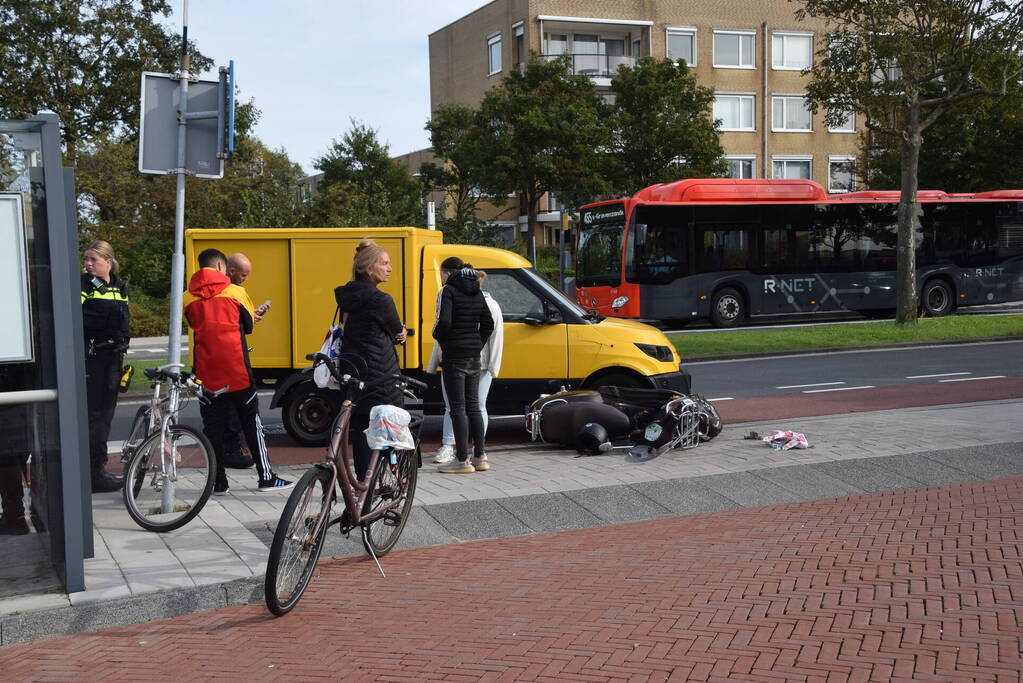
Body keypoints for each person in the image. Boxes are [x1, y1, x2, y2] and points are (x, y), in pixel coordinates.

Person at [184, 248, 292, 494]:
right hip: (236, 371)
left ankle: (218, 481)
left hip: (206, 373)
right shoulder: (236, 292)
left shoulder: (187, 297)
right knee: (251, 423)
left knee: (213, 428)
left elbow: (194, 325)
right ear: (222, 267)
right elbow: (247, 325)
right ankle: (266, 476)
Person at [334, 238, 407, 481]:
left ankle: (362, 481)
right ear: (368, 268)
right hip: (380, 373)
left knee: (360, 427)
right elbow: (397, 330)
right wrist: (403, 333)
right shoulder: (381, 299)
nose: (390, 268)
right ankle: (387, 479)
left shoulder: (346, 295)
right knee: (388, 422)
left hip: (353, 370)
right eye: (385, 263)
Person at [429, 265, 504, 468]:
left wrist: (438, 337)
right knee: (474, 407)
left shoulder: (448, 291)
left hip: (454, 356)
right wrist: (476, 342)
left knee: (457, 408)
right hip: (474, 356)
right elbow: (488, 324)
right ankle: (480, 457)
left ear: (452, 275)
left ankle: (462, 460)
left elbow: (443, 322)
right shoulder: (477, 292)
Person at [81, 240, 129, 493]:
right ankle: (93, 473)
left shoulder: (119, 287)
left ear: (108, 262)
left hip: (113, 361)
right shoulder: (83, 285)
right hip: (92, 361)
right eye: (86, 259)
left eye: (93, 260)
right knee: (94, 419)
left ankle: (96, 470)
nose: (88, 264)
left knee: (104, 418)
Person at [218, 252, 271, 469]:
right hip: (234, 358)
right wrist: (252, 317)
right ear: (231, 271)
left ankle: (223, 460)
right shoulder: (235, 292)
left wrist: (253, 314)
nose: (245, 278)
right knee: (246, 411)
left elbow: (240, 320)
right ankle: (262, 471)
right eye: (244, 274)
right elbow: (246, 325)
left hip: (215, 359)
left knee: (222, 408)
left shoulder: (212, 293)